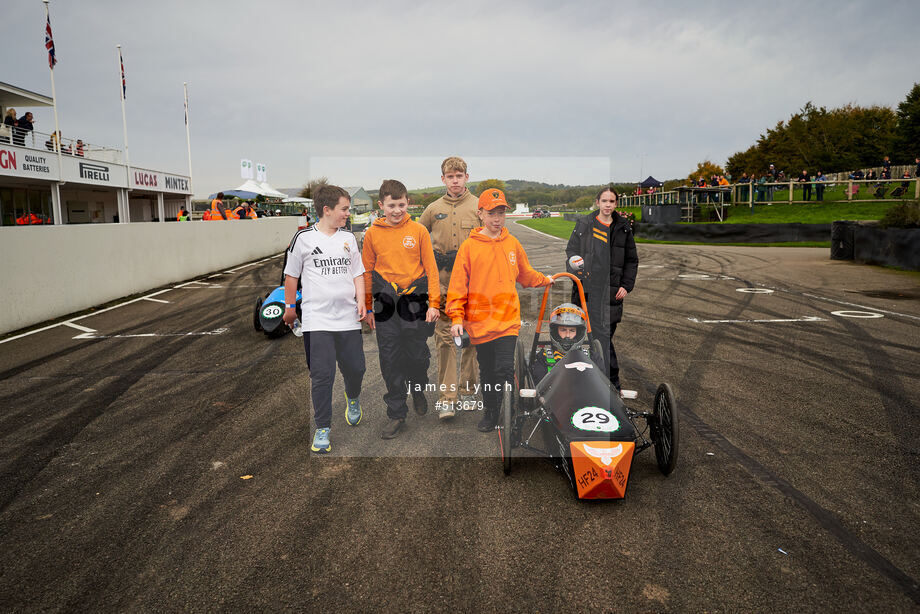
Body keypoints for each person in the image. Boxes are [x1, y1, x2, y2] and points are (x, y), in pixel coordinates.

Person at [446, 188, 553, 432]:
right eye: (491, 213)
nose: (497, 218)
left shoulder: (512, 243)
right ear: (480, 214)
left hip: (507, 320)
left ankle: (511, 415)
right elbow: (457, 287)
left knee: (505, 368)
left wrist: (545, 279)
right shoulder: (469, 247)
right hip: (480, 323)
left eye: (501, 212)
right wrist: (456, 317)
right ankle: (491, 412)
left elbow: (526, 274)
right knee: (488, 371)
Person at [282, 185, 367, 454]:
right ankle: (322, 428)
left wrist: (362, 300)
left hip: (348, 318)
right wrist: (289, 307)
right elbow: (291, 276)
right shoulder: (303, 239)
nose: (347, 213)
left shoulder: (349, 239)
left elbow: (357, 273)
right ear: (327, 210)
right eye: (344, 209)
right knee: (322, 375)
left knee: (357, 368)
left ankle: (352, 397)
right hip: (317, 321)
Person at [362, 179, 440, 439]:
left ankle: (418, 389)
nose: (397, 210)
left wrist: (434, 305)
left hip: (415, 299)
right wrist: (368, 307)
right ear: (381, 205)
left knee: (417, 356)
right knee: (390, 359)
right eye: (391, 205)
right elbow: (367, 271)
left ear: (408, 203)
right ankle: (397, 413)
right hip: (385, 301)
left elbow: (431, 270)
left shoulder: (418, 231)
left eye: (401, 204)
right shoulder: (372, 233)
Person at [418, 156, 481, 420]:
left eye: (459, 175)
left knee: (470, 340)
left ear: (467, 177)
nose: (455, 180)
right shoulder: (432, 210)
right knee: (444, 340)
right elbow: (417, 240)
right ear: (443, 179)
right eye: (450, 176)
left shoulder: (480, 207)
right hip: (442, 286)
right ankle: (447, 398)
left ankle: (467, 389)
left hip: (472, 286)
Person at [565, 187, 638, 391]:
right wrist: (574, 264)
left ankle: (610, 384)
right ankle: (587, 380)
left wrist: (626, 285)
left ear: (616, 204)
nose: (608, 205)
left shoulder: (623, 228)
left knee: (603, 337)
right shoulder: (585, 224)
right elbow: (571, 250)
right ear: (597, 202)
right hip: (585, 289)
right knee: (585, 335)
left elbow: (632, 260)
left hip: (611, 292)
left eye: (612, 201)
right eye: (604, 201)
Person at [531, 303, 601, 384]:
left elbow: (602, 385)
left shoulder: (592, 358)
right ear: (556, 331)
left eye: (572, 331)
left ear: (578, 333)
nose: (567, 335)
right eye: (563, 330)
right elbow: (540, 386)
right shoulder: (543, 358)